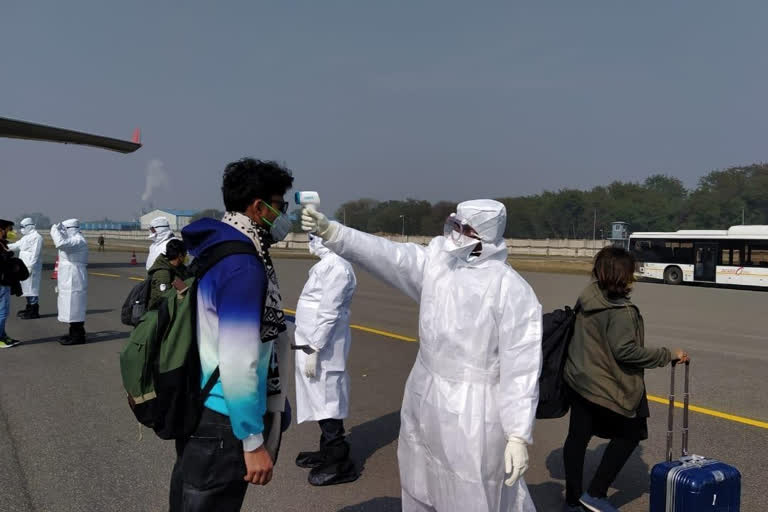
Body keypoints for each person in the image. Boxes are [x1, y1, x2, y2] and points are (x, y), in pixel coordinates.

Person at [302, 200, 543, 512]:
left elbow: (521, 367)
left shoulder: (509, 288)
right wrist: (334, 232)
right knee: (420, 479)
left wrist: (518, 435)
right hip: (424, 394)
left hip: (473, 409)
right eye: (454, 225)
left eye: (465, 229)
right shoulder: (438, 264)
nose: (455, 235)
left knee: (470, 489)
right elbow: (388, 255)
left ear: (484, 234)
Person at [170, 158, 295, 511]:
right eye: (280, 207)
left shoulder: (216, 249)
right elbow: (239, 358)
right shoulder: (243, 265)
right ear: (258, 208)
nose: (284, 216)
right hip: (224, 421)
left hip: (202, 403)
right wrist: (252, 441)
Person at [562, 247, 690, 512]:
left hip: (580, 379)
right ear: (623, 275)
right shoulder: (621, 311)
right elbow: (626, 352)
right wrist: (668, 356)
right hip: (605, 385)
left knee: (577, 437)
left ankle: (572, 499)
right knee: (632, 432)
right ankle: (595, 494)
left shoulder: (588, 297)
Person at [294, 234, 358, 486]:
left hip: (323, 348)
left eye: (314, 237)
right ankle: (327, 451)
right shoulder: (327, 265)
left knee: (327, 396)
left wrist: (315, 348)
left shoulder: (337, 268)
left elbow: (329, 312)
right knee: (317, 395)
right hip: (312, 343)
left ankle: (339, 460)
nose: (310, 242)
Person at [50, 219, 89, 345]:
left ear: (71, 228)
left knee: (75, 306)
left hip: (74, 275)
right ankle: (73, 333)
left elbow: (60, 244)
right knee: (69, 305)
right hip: (69, 275)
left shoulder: (78, 240)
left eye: (64, 230)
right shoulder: (73, 239)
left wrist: (54, 231)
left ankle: (78, 336)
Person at [9, 218, 44, 320]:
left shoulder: (37, 237)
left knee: (32, 288)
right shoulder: (26, 237)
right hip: (24, 267)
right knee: (26, 289)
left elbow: (35, 254)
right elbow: (16, 245)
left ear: (29, 226)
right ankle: (29, 307)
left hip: (31, 267)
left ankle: (34, 310)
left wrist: (30, 267)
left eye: (23, 227)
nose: (21, 229)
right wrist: (4, 246)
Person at [147, 239, 189, 310]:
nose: (186, 257)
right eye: (185, 254)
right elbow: (164, 299)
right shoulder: (163, 274)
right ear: (180, 255)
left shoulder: (178, 268)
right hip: (159, 314)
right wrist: (182, 291)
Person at [0, 219, 22, 348]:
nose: (11, 232)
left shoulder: (2, 243)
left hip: (4, 281)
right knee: (2, 312)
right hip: (2, 283)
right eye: (9, 229)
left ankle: (2, 335)